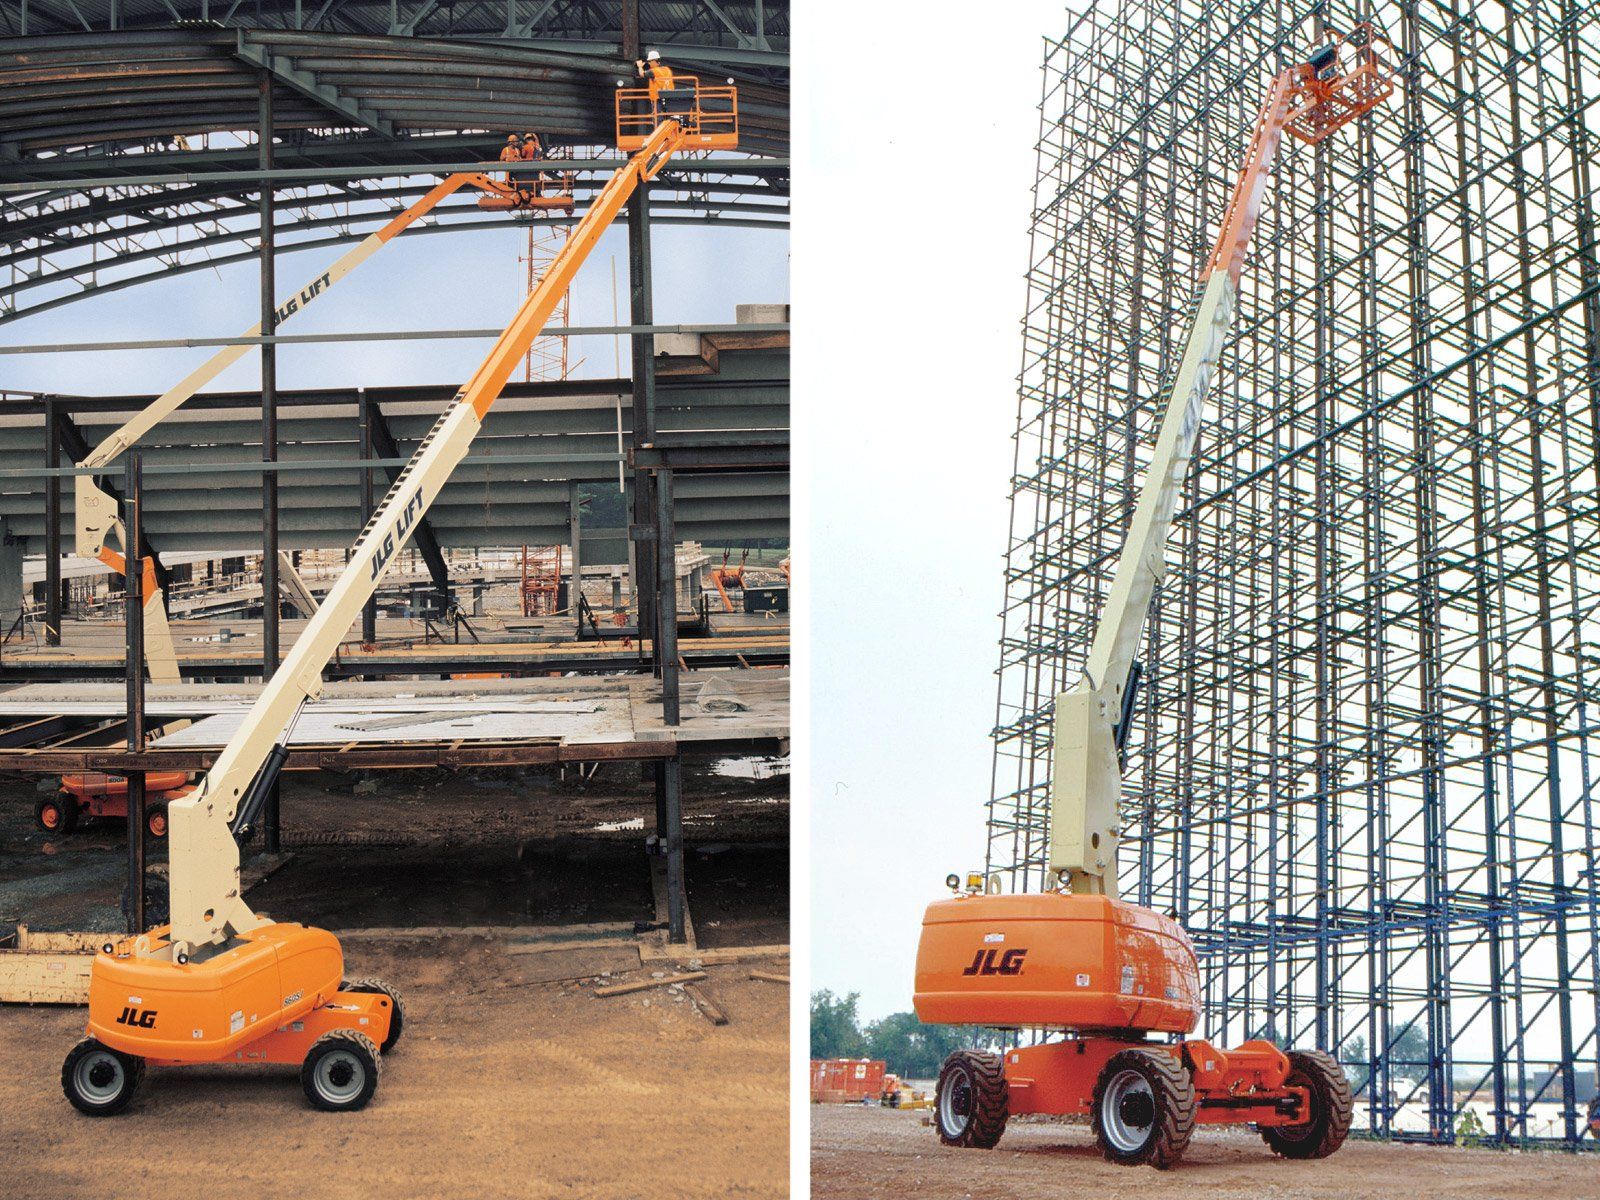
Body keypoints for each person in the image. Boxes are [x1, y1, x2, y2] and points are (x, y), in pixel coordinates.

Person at [520, 132, 543, 198]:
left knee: (528, 181)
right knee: (536, 181)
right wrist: (535, 136)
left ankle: (529, 192)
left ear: (526, 139)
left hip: (528, 165)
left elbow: (523, 155)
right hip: (536, 166)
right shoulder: (537, 146)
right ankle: (537, 193)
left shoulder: (526, 147)